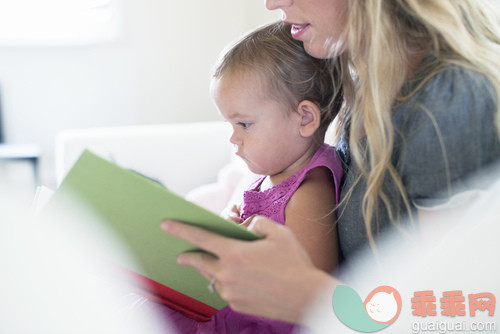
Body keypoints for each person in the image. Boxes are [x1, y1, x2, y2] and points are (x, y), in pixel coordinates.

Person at [161, 0, 500, 328]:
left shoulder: (450, 102)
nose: (272, 2)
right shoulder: (370, 85)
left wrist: (307, 296)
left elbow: (456, 315)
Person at [158, 21, 343, 333]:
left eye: (243, 124)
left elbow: (307, 301)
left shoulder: (310, 192)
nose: (233, 139)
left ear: (305, 118)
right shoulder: (269, 173)